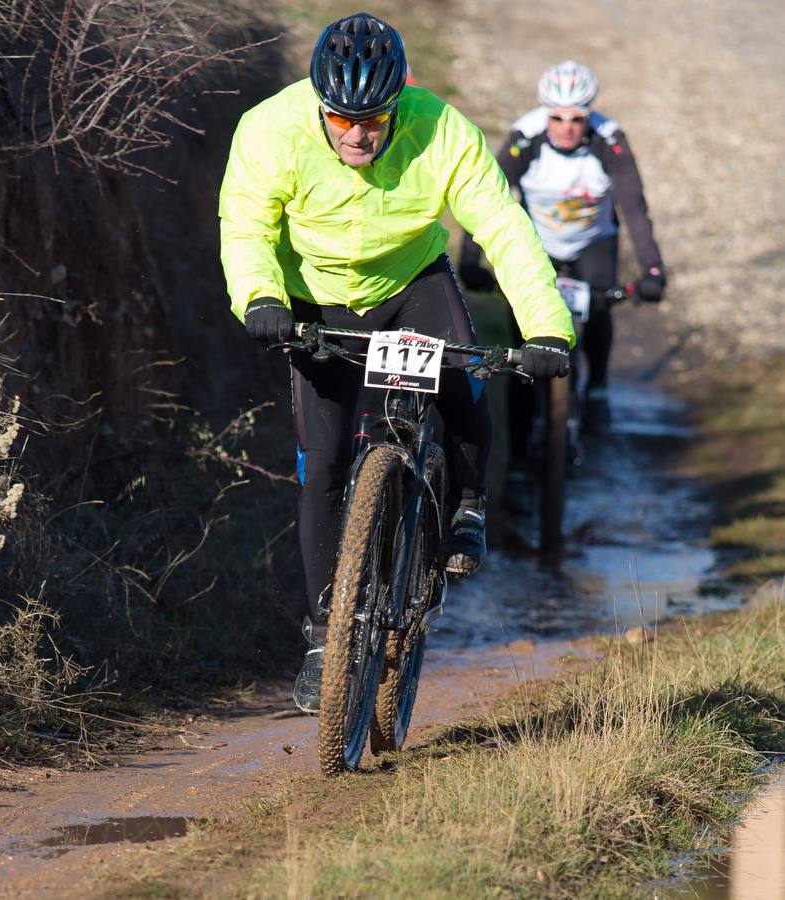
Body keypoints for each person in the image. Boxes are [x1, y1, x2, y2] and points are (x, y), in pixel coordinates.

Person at [218, 13, 575, 713]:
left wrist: (546, 328)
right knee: (320, 466)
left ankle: (468, 503)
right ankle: (325, 637)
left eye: (373, 121)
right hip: (311, 298)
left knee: (460, 380)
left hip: (410, 285)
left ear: (396, 105)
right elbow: (245, 225)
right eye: (340, 120)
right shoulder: (269, 129)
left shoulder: (441, 129)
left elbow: (501, 226)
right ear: (317, 104)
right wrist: (259, 299)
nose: (356, 135)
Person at [459, 60, 666, 463]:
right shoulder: (525, 137)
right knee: (522, 344)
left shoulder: (610, 140)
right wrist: (469, 259)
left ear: (590, 114)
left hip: (593, 242)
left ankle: (599, 390)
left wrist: (653, 271)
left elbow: (634, 207)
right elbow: (484, 199)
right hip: (539, 246)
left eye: (577, 118)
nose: (567, 126)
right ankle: (518, 463)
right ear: (545, 112)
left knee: (602, 301)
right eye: (557, 117)